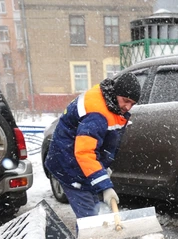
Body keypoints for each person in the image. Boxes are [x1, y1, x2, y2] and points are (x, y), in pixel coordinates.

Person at [44, 72, 141, 220]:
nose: (128, 107)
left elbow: (99, 142)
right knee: (89, 216)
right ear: (116, 93)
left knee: (92, 207)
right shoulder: (97, 114)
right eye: (125, 100)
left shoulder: (110, 103)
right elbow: (84, 152)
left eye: (132, 104)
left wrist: (100, 168)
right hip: (69, 165)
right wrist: (105, 185)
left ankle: (91, 238)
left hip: (77, 161)